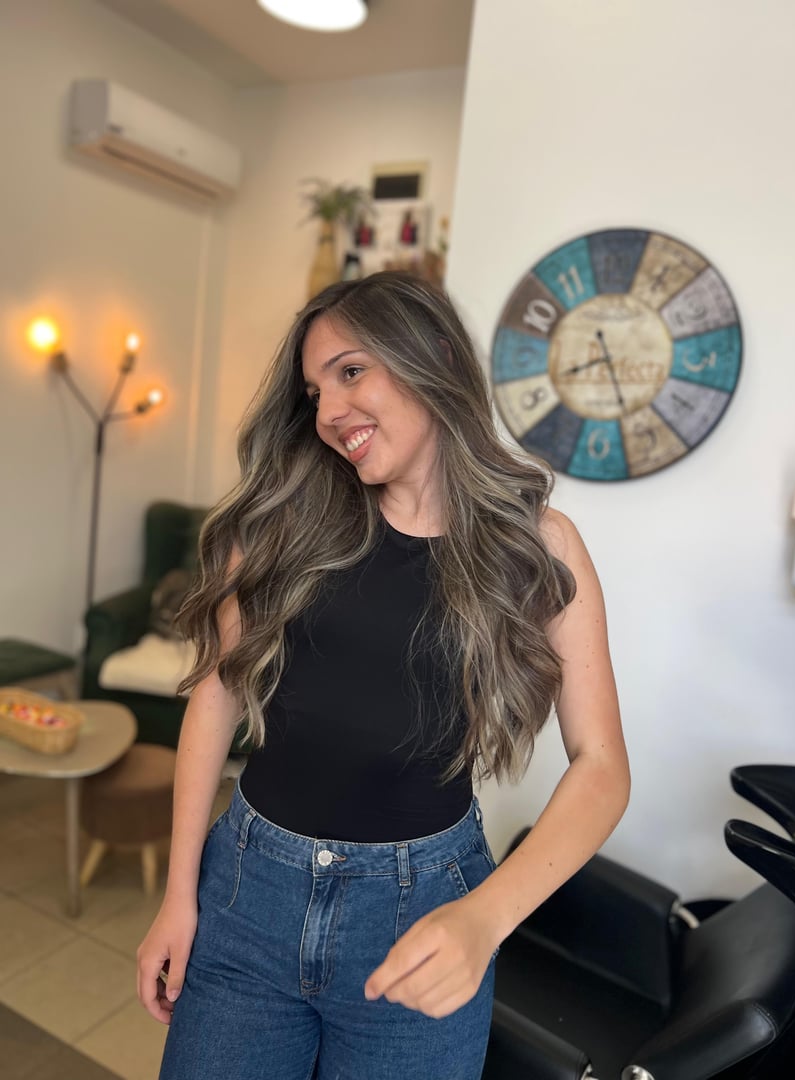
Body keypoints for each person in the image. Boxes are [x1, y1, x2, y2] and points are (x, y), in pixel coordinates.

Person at [137, 271, 630, 1080]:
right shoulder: (282, 522)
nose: (329, 413)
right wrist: (178, 894)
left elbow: (603, 767)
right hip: (246, 898)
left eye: (351, 371)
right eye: (314, 389)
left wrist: (486, 919)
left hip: (422, 910)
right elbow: (219, 694)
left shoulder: (539, 547)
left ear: (431, 353)